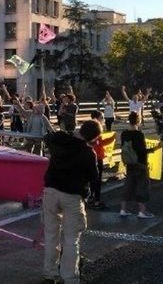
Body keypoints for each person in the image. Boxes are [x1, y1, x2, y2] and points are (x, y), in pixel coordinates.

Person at [41, 120, 101, 284]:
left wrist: (69, 133)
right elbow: (93, 177)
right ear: (93, 137)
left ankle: (49, 273)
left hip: (51, 189)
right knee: (71, 239)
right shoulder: (88, 153)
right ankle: (69, 277)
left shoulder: (59, 138)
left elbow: (48, 137)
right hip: (73, 195)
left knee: (51, 235)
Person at [119, 112, 159, 219]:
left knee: (128, 185)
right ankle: (142, 211)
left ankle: (123, 209)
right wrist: (154, 149)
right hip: (140, 163)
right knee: (142, 186)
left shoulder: (124, 134)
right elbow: (141, 151)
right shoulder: (139, 134)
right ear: (138, 121)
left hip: (129, 163)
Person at [88, 111, 115, 209]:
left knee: (91, 179)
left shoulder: (90, 127)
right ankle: (96, 201)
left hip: (91, 157)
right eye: (102, 117)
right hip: (97, 157)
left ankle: (91, 197)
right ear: (97, 118)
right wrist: (112, 139)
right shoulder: (96, 129)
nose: (103, 119)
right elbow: (99, 143)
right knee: (97, 179)